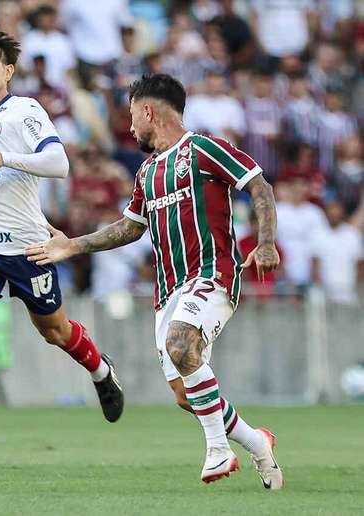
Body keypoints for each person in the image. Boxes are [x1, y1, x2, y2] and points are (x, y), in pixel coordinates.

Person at [25, 74, 284, 489]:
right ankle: (257, 442)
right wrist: (72, 246)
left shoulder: (203, 149)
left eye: (131, 116)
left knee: (183, 344)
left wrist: (267, 242)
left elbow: (259, 185)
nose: (129, 127)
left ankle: (219, 449)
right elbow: (129, 229)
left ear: (148, 111)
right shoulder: (146, 172)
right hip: (168, 292)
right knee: (187, 394)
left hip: (211, 274)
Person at [0, 31, 123, 467]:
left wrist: (6, 157)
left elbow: (59, 163)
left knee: (54, 331)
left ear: (9, 71)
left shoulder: (25, 111)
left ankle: (100, 370)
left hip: (26, 245)